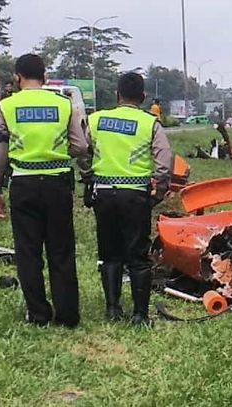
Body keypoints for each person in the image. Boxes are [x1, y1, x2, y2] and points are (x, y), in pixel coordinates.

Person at [0, 54, 89, 327]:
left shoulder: (6, 106)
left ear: (17, 77)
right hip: (57, 183)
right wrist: (55, 154)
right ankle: (67, 316)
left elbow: (0, 151)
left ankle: (38, 314)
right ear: (44, 78)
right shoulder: (64, 104)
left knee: (28, 252)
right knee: (61, 251)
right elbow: (80, 146)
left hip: (23, 184)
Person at [85, 73, 172, 326]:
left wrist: (88, 174)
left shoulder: (96, 119)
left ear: (116, 95)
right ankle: (140, 315)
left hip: (103, 193)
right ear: (143, 98)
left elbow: (80, 148)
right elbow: (164, 160)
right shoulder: (149, 123)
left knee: (109, 253)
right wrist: (160, 188)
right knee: (138, 255)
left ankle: (112, 309)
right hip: (135, 195)